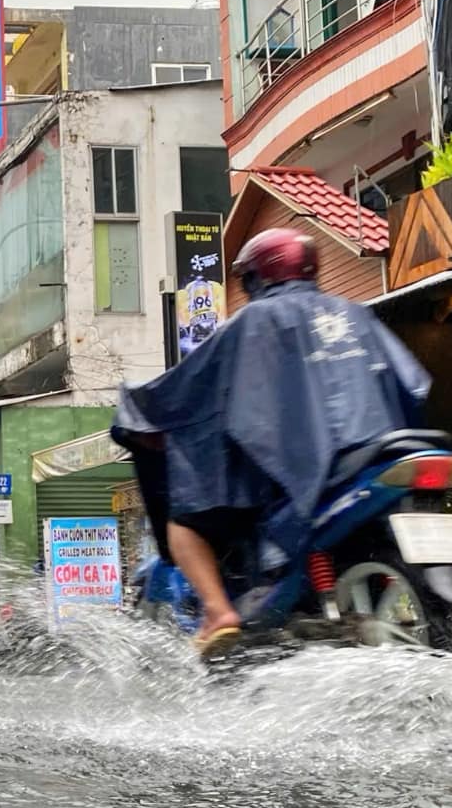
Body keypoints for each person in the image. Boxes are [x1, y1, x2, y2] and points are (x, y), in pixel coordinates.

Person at [112, 226, 431, 654]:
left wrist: (137, 408)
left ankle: (219, 613)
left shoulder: (254, 320)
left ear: (257, 276)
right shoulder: (356, 314)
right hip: (375, 453)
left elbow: (187, 387)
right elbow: (411, 384)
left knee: (183, 521)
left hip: (298, 471)